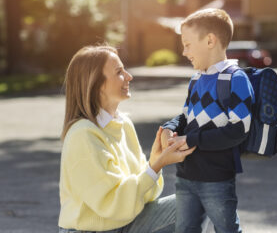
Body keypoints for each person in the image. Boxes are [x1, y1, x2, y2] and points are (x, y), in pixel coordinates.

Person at [58, 44, 196, 233]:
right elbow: (112, 205)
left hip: (124, 223)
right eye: (119, 72)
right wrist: (155, 167)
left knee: (202, 202)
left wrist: (154, 162)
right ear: (97, 84)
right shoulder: (83, 135)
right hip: (93, 230)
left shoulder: (123, 124)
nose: (129, 76)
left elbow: (146, 197)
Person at [161, 8, 255, 233]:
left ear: (210, 40)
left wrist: (190, 139)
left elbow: (238, 130)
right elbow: (186, 116)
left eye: (188, 44)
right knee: (184, 229)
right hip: (185, 176)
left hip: (216, 178)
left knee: (226, 229)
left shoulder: (235, 79)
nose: (184, 52)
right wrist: (170, 127)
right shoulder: (196, 79)